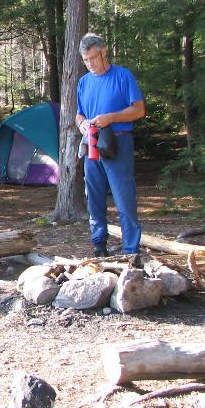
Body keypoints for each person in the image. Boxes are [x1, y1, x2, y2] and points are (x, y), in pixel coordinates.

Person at [75, 33, 145, 256]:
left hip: (118, 141)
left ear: (104, 51)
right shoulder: (84, 82)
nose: (90, 64)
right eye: (86, 60)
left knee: (123, 197)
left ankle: (131, 250)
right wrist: (83, 125)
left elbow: (139, 110)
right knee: (93, 196)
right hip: (92, 144)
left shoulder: (123, 76)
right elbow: (79, 115)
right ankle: (99, 245)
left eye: (93, 58)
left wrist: (111, 117)